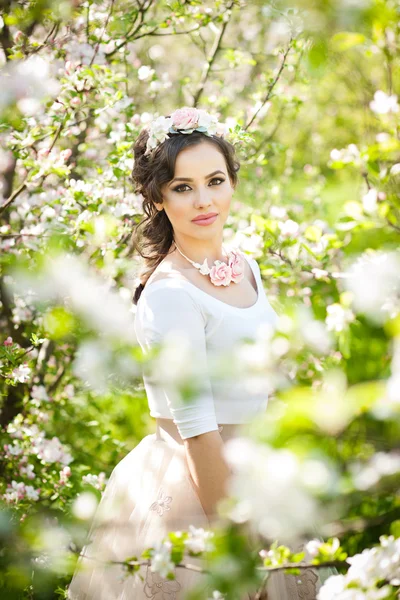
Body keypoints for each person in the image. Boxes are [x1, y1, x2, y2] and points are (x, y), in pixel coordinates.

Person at [67, 107, 328, 600]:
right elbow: (198, 430)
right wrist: (237, 550)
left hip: (260, 476)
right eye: (183, 187)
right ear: (159, 198)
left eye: (215, 180)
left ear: (232, 183)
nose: (204, 200)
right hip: (200, 490)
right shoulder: (170, 293)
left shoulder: (245, 265)